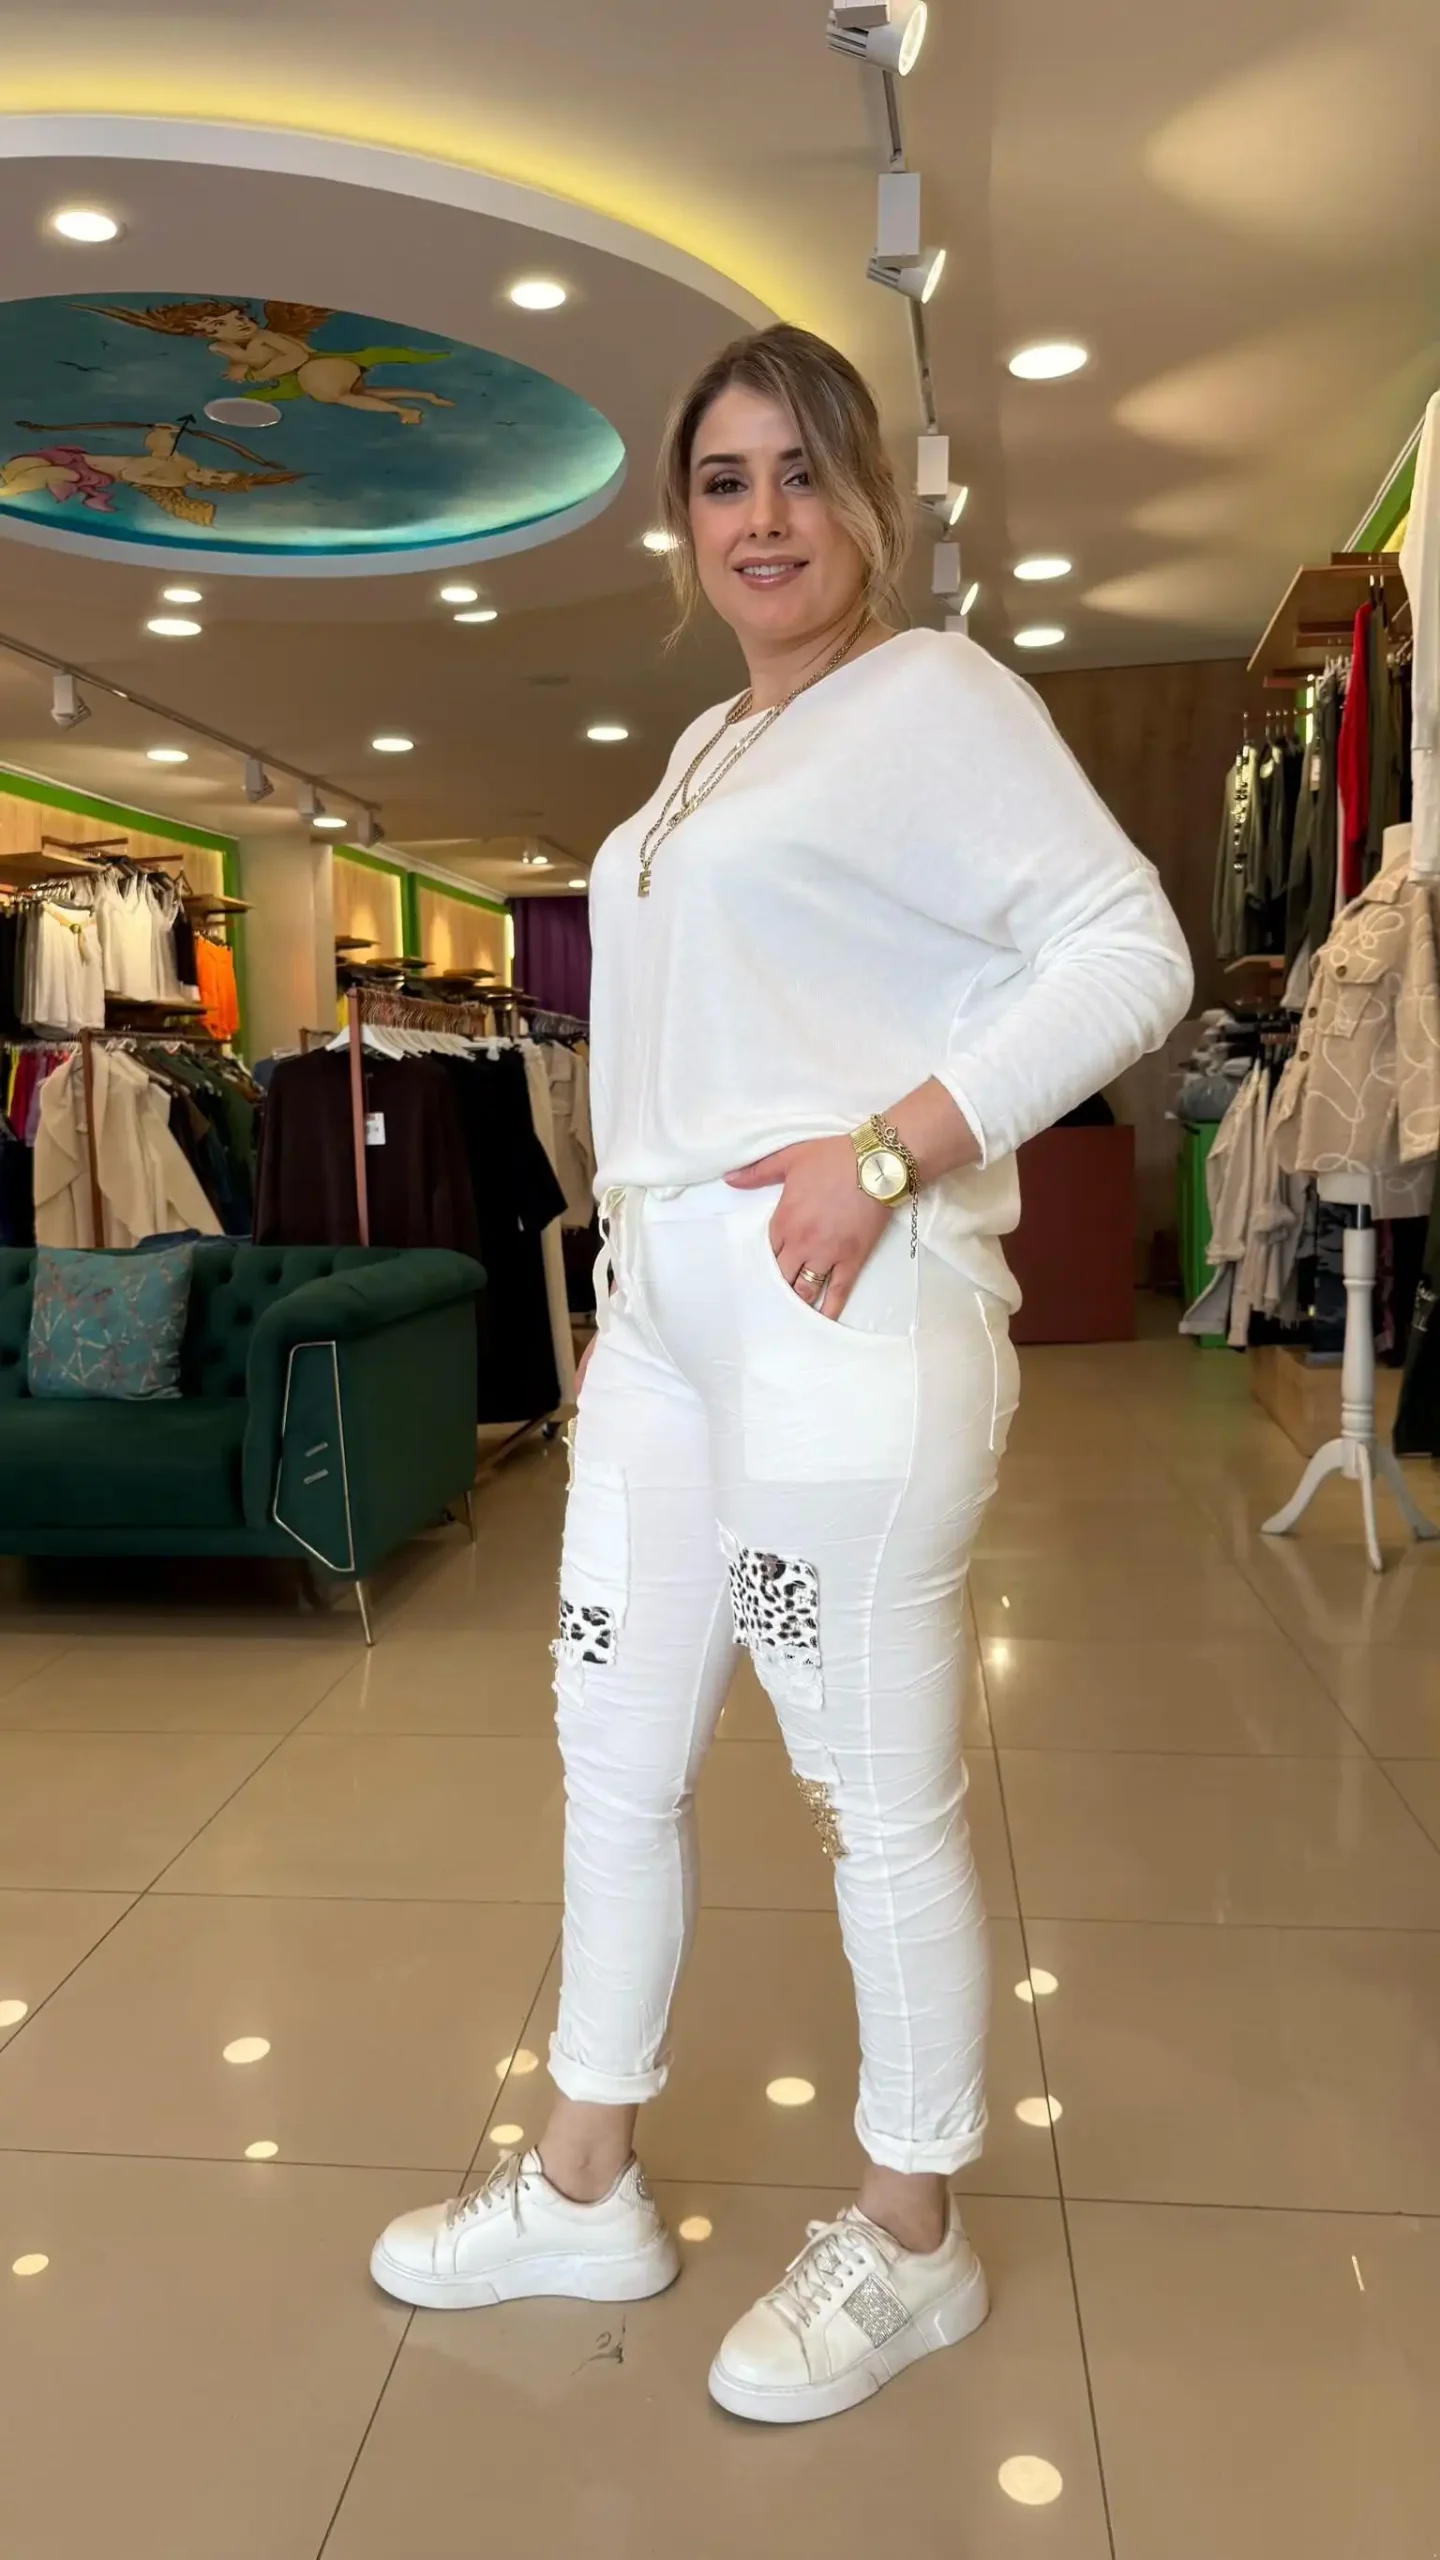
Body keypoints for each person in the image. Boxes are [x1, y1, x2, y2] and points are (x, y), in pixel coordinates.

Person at [372, 324, 1193, 2423]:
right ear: (681, 519)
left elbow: (1132, 950)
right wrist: (638, 1272)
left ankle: (912, 2234)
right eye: (724, 480)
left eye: (802, 473)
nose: (762, 518)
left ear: (871, 502)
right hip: (670, 1320)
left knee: (866, 1784)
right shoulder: (704, 749)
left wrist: (893, 1145)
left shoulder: (933, 699)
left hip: (843, 1306)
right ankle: (585, 2180)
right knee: (613, 1741)